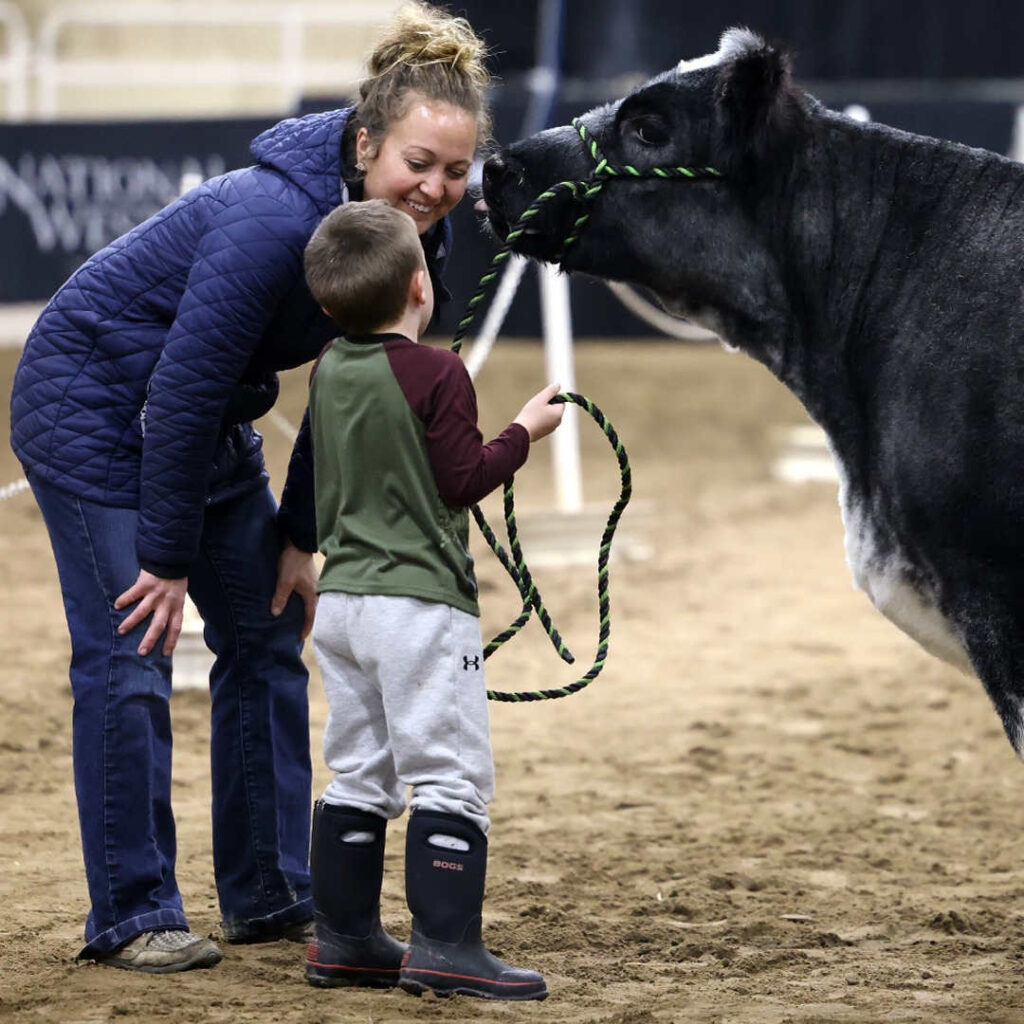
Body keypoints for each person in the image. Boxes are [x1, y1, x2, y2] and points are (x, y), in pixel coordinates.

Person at [9, 2, 490, 973]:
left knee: (268, 632)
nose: (434, 188)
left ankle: (268, 890)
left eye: (454, 169)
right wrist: (167, 558)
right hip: (95, 395)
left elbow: (351, 392)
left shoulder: (407, 236)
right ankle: (133, 911)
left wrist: (299, 539)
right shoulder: (271, 221)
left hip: (204, 410)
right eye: (416, 165)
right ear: (364, 145)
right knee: (131, 642)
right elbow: (179, 389)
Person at [299, 199, 560, 1001]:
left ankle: (343, 939)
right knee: (448, 774)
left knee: (358, 769)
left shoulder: (325, 369)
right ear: (422, 286)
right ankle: (447, 947)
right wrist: (524, 432)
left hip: (342, 606)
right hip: (420, 607)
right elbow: (462, 480)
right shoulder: (441, 372)